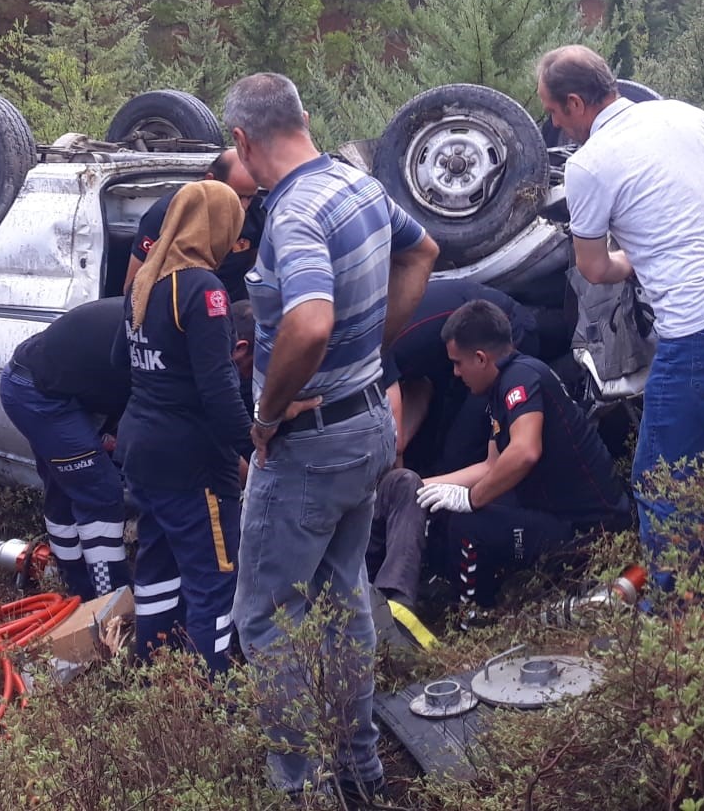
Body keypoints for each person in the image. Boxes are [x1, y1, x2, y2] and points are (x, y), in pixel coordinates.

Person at [225, 72, 438, 804]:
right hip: (367, 424)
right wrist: (373, 349)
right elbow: (423, 251)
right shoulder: (358, 184)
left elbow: (310, 321)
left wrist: (267, 414)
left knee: (265, 618)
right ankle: (360, 772)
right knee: (343, 598)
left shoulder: (294, 214)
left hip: (309, 445)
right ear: (305, 117)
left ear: (242, 141)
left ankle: (304, 792)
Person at [536, 44, 704, 572]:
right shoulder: (685, 114)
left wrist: (635, 258)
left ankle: (676, 609)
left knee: (661, 478)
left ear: (575, 103)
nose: (554, 124)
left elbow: (594, 268)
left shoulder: (588, 166)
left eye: (553, 111)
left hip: (699, 334)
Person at [113, 179, 252, 668]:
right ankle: (217, 695)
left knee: (157, 567)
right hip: (193, 463)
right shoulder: (202, 289)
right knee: (215, 579)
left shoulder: (144, 282)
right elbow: (219, 390)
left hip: (142, 451)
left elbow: (119, 360)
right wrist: (257, 448)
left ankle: (154, 674)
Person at [415, 299, 630, 615]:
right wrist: (420, 486)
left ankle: (473, 617)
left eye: (458, 363)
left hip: (588, 531)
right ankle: (443, 590)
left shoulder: (522, 378)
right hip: (553, 512)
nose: (456, 373)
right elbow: (491, 465)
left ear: (480, 358)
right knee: (447, 509)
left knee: (468, 523)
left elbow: (525, 452)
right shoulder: (500, 386)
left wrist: (471, 499)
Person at [0, 300, 131, 600]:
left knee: (64, 489)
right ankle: (109, 598)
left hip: (54, 386)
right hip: (38, 394)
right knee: (101, 494)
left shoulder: (156, 314)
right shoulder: (152, 333)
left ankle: (74, 585)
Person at [385, 278, 538, 475]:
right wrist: (404, 443)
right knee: (433, 444)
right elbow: (420, 386)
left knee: (461, 451)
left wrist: (400, 484)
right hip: (453, 358)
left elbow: (393, 443)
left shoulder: (372, 349)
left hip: (505, 335)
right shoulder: (393, 347)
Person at [122, 147, 263, 295]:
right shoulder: (168, 214)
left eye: (250, 197)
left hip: (234, 304)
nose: (243, 206)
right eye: (236, 196)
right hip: (181, 304)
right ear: (210, 180)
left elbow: (258, 271)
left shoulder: (256, 212)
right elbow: (133, 288)